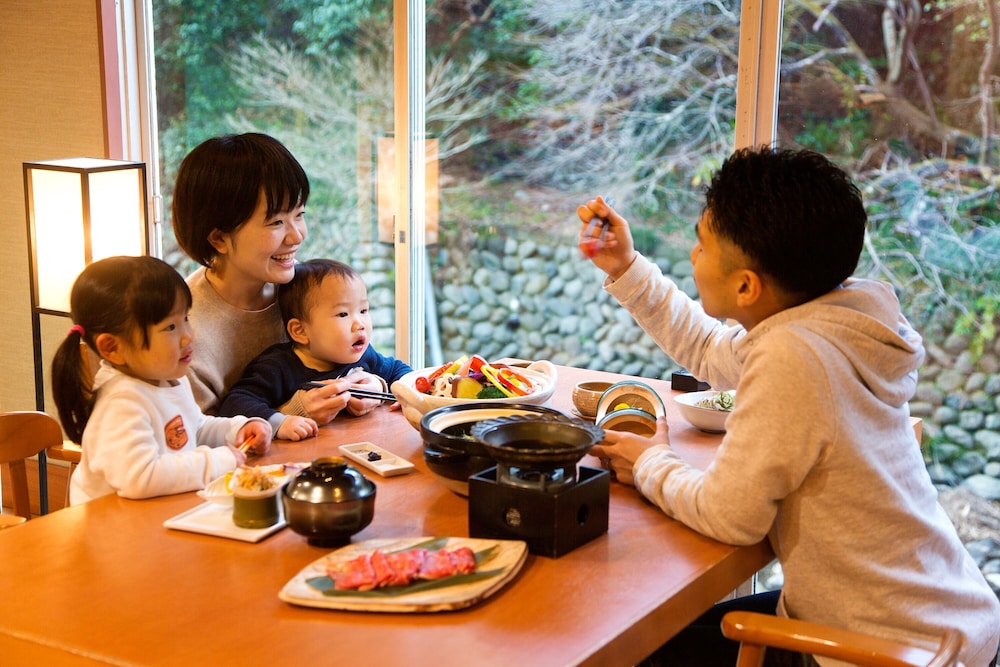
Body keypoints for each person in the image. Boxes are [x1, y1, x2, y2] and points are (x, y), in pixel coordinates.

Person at [577, 146, 1000, 667]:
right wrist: (626, 266)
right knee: (660, 631)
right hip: (945, 621)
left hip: (881, 651)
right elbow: (712, 351)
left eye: (701, 245)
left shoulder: (793, 357)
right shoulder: (835, 319)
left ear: (747, 286)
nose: (693, 256)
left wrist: (648, 462)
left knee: (634, 650)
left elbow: (729, 517)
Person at [50, 256, 272, 505]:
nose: (187, 336)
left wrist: (236, 430)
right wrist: (218, 461)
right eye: (170, 328)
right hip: (110, 530)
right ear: (112, 347)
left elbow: (193, 429)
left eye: (185, 319)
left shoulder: (168, 379)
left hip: (154, 515)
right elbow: (140, 476)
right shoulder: (121, 402)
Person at [172, 132, 346, 425]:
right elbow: (199, 444)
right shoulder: (187, 334)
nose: (297, 235)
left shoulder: (310, 290)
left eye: (299, 214)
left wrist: (367, 385)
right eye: (276, 222)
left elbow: (362, 357)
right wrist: (290, 413)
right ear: (219, 238)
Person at [218, 259, 413, 440]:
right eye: (343, 314)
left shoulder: (363, 355)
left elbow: (399, 371)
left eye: (363, 310)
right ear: (300, 331)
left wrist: (400, 394)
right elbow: (234, 404)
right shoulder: (277, 367)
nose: (360, 324)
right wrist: (281, 422)